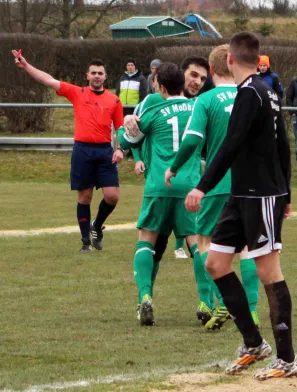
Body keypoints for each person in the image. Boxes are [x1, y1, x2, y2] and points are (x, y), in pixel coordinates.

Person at [184, 32, 297, 380]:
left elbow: (231, 146)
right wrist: (288, 193)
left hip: (261, 195)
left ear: (230, 59)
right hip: (241, 196)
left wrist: (202, 187)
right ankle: (253, 343)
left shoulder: (251, 93)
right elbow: (283, 147)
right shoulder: (267, 92)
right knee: (216, 263)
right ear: (256, 57)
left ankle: (287, 359)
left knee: (268, 272)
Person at [164, 44, 260, 331]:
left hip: (218, 184)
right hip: (252, 185)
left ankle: (221, 304)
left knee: (206, 243)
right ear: (232, 64)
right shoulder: (254, 94)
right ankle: (252, 312)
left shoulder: (206, 101)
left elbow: (192, 140)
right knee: (247, 249)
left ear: (212, 69)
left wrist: (174, 166)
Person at [13, 50, 123, 253]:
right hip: (82, 150)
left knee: (112, 196)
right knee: (85, 197)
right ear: (87, 76)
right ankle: (85, 243)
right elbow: (48, 80)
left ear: (105, 77)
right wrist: (26, 65)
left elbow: (120, 128)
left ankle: (96, 226)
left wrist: (120, 148)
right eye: (93, 72)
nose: (97, 76)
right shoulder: (76, 93)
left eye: (100, 73)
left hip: (104, 151)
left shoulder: (114, 100)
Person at [118, 63, 196, 326]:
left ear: (160, 86)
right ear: (183, 84)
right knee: (198, 246)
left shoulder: (155, 109)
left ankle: (145, 297)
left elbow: (128, 140)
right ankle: (207, 302)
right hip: (191, 186)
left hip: (158, 186)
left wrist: (125, 124)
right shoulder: (198, 108)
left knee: (146, 242)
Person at [131, 55, 209, 265]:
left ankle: (146, 292)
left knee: (187, 241)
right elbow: (133, 130)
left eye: (202, 79)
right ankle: (209, 296)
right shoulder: (153, 100)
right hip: (167, 181)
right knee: (175, 243)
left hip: (169, 184)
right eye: (193, 75)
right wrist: (127, 119)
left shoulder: (200, 104)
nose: (197, 82)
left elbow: (129, 136)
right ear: (180, 74)